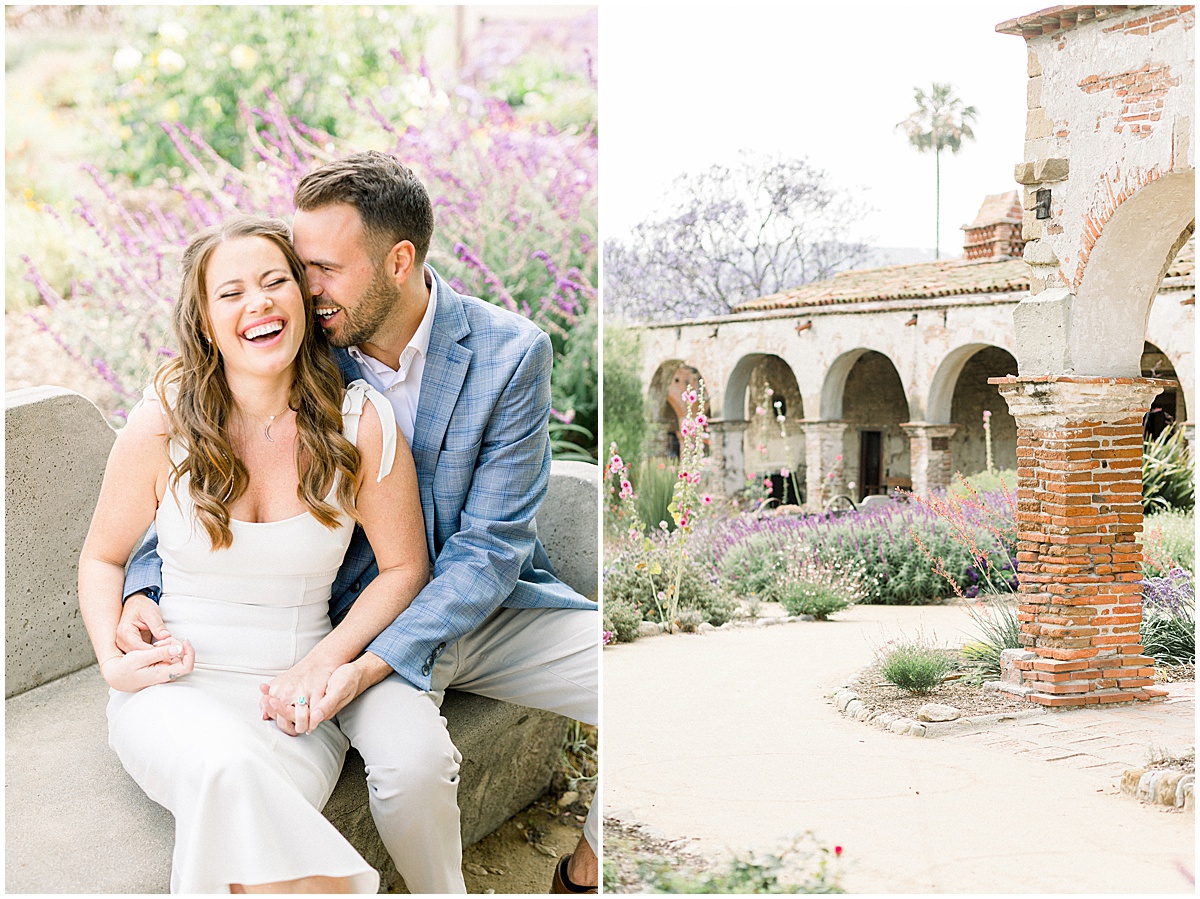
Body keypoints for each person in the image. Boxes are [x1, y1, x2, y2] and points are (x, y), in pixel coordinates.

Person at [119, 152, 601, 893]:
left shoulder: (510, 353)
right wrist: (141, 587)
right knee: (412, 767)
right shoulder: (298, 341)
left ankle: (595, 855)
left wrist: (364, 664)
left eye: (323, 268)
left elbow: (490, 548)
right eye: (298, 266)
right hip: (357, 613)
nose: (302, 289)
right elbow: (200, 477)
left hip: (483, 607)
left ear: (399, 261)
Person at [79, 215, 428, 893]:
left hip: (294, 706)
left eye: (275, 283)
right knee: (225, 773)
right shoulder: (163, 420)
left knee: (241, 820)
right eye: (232, 292)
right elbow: (102, 556)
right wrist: (114, 660)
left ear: (303, 300)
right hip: (172, 690)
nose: (259, 302)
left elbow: (404, 568)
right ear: (206, 321)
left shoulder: (363, 424)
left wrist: (322, 664)